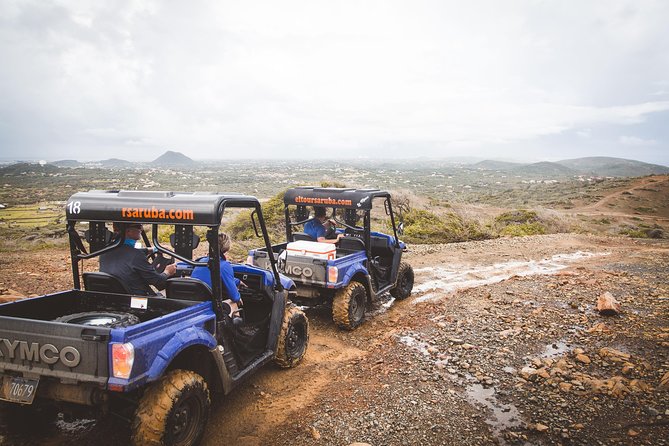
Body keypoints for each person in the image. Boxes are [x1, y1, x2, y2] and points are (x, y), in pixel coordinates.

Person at [99, 222, 177, 295]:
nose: (142, 229)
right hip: (139, 300)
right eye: (139, 226)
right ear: (128, 231)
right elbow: (157, 281)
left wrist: (154, 249)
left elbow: (127, 253)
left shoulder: (105, 251)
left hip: (117, 297)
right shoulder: (136, 255)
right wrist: (168, 271)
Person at [191, 232, 242, 310]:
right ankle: (239, 322)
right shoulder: (224, 266)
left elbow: (213, 279)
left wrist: (238, 281)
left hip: (195, 302)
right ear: (227, 247)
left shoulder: (201, 261)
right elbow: (234, 296)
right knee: (234, 303)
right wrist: (239, 298)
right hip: (209, 305)